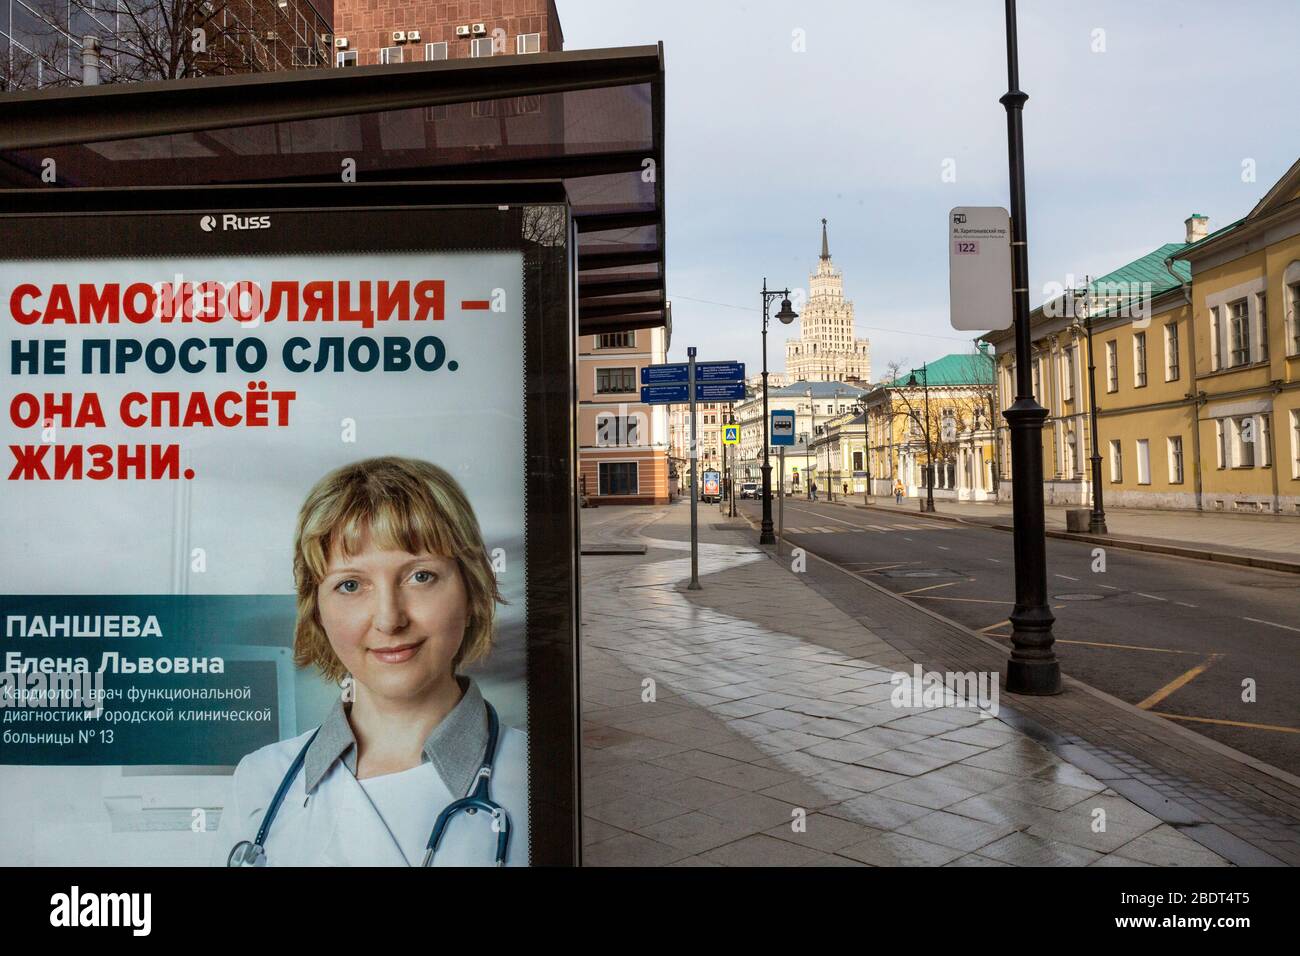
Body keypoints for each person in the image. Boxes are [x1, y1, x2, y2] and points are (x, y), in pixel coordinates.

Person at [216, 456, 528, 867]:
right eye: (350, 585)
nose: (389, 619)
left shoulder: (536, 776)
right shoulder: (259, 781)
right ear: (316, 610)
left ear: (472, 591)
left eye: (420, 576)